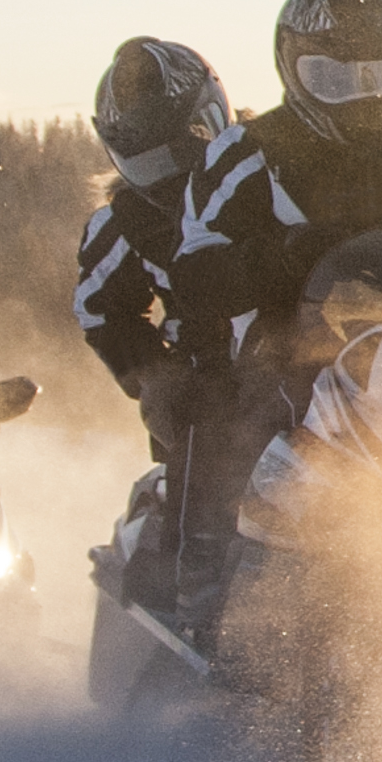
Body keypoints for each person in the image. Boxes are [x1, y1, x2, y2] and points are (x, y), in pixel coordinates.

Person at [161, 0, 382, 610]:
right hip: (289, 336)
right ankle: (208, 573)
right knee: (242, 405)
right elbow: (197, 263)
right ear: (296, 71)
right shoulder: (249, 153)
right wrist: (279, 257)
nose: (364, 96)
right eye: (338, 79)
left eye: (381, 74)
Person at [72, 36, 230, 470]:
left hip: (300, 361)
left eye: (178, 153)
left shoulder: (264, 173)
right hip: (203, 394)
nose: (169, 176)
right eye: (149, 163)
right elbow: (99, 308)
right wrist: (156, 374)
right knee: (200, 494)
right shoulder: (127, 221)